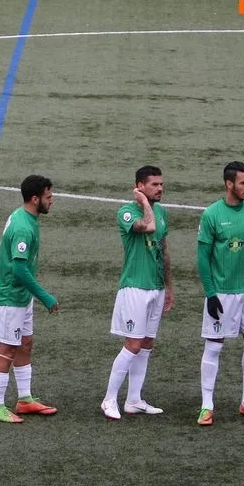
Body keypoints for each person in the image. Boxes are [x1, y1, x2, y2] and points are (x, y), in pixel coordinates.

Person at [195, 161, 244, 426]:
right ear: (229, 183)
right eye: (243, 183)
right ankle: (207, 406)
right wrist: (210, 293)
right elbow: (202, 258)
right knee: (214, 346)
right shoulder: (212, 214)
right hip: (223, 293)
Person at [100, 166, 174, 419]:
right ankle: (109, 400)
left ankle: (134, 400)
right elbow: (149, 227)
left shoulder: (162, 211)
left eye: (161, 184)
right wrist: (143, 201)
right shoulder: (126, 213)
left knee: (146, 344)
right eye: (154, 185)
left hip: (156, 288)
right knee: (132, 344)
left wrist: (170, 288)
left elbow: (163, 250)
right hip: (134, 288)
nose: (160, 188)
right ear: (140, 186)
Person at [0, 175, 58, 424]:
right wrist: (44, 296)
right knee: (7, 349)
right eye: (48, 197)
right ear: (35, 199)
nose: (52, 200)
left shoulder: (23, 217)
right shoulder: (23, 227)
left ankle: (25, 399)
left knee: (25, 342)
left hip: (19, 296)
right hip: (10, 297)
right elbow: (19, 269)